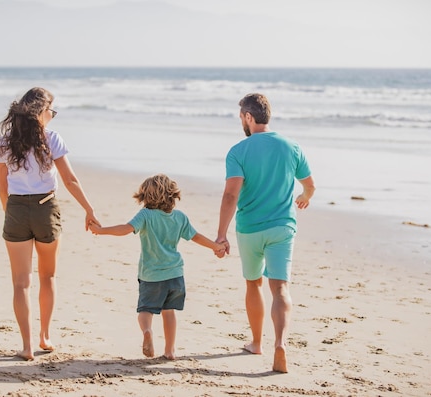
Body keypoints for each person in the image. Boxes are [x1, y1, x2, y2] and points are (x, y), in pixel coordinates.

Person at [0, 87, 100, 361]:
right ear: (41, 112)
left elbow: (2, 188)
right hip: (46, 208)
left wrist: (12, 213)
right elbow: (70, 180)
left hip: (16, 208)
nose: (52, 115)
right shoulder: (51, 138)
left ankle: (27, 346)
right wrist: (89, 209)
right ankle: (45, 336)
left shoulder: (7, 141)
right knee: (47, 276)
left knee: (20, 283)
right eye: (51, 110)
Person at [216, 93, 315, 373]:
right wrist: (305, 197)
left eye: (241, 118)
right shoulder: (291, 146)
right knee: (280, 287)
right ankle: (280, 344)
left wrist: (221, 235)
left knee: (253, 284)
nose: (241, 123)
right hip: (283, 227)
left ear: (249, 117)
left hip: (249, 229)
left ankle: (257, 342)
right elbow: (310, 185)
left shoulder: (239, 151)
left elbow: (230, 195)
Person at [88, 174, 227, 360]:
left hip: (151, 275)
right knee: (169, 312)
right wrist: (216, 246)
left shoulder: (146, 215)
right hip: (175, 275)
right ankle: (170, 351)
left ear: (145, 197)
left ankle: (147, 331)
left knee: (145, 310)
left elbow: (125, 229)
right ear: (172, 195)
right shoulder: (179, 217)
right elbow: (196, 237)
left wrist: (101, 231)